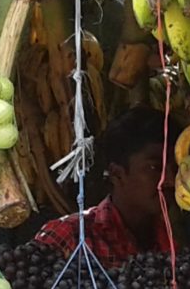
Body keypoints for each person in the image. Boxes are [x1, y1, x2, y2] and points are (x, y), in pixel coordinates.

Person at [32, 106, 176, 260]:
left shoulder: (173, 238)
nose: (171, 180)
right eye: (155, 167)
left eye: (177, 167)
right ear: (117, 174)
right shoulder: (68, 236)